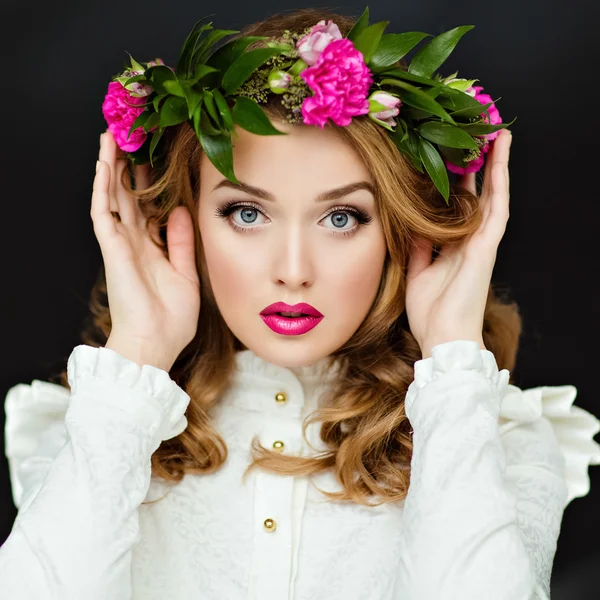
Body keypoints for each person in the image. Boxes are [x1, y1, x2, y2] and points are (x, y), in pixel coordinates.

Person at [1, 7, 599, 600]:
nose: (293, 271)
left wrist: (451, 352)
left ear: (398, 228)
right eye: (247, 213)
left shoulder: (495, 441)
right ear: (185, 220)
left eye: (341, 217)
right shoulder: (95, 431)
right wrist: (138, 352)